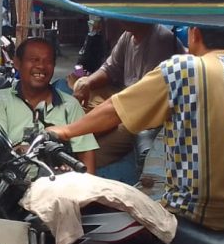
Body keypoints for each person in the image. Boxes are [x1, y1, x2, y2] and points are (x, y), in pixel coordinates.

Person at [50, 26, 224, 231]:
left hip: (192, 222)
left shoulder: (181, 70)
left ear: (195, 35)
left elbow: (116, 109)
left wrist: (64, 131)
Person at [71, 21, 183, 171]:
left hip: (147, 112)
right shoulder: (128, 36)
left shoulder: (161, 41)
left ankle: (79, 157)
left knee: (95, 147)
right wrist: (87, 83)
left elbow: (142, 101)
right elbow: (110, 68)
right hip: (125, 97)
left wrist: (91, 127)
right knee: (85, 95)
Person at [0, 38, 97, 173]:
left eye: (48, 61)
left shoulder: (70, 106)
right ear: (17, 63)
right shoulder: (0, 100)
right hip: (13, 185)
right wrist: (27, 150)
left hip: (58, 187)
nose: (41, 66)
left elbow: (86, 156)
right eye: (34, 60)